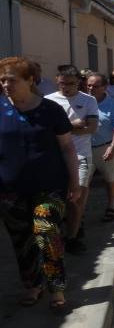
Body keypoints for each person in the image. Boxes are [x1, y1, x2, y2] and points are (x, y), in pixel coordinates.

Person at [0, 57, 80, 313]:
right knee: (21, 239)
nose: (5, 85)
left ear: (30, 80)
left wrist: (75, 183)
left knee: (45, 229)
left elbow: (67, 148)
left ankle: (56, 287)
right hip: (10, 189)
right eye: (2, 80)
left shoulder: (50, 110)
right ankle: (33, 285)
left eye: (11, 79)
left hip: (50, 186)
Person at [46, 65, 98, 254]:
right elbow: (46, 131)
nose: (66, 88)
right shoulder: (48, 101)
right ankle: (63, 230)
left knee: (77, 199)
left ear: (79, 83)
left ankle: (72, 237)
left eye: (71, 84)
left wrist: (60, 128)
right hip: (55, 156)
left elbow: (91, 128)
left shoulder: (88, 100)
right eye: (62, 84)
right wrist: (73, 125)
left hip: (81, 155)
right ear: (57, 81)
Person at [85, 73, 114, 222]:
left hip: (106, 148)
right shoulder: (83, 101)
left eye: (95, 86)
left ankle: (111, 206)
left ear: (104, 87)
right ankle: (80, 211)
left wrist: (113, 146)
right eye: (89, 85)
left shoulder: (112, 104)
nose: (90, 88)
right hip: (85, 149)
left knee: (110, 179)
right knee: (83, 182)